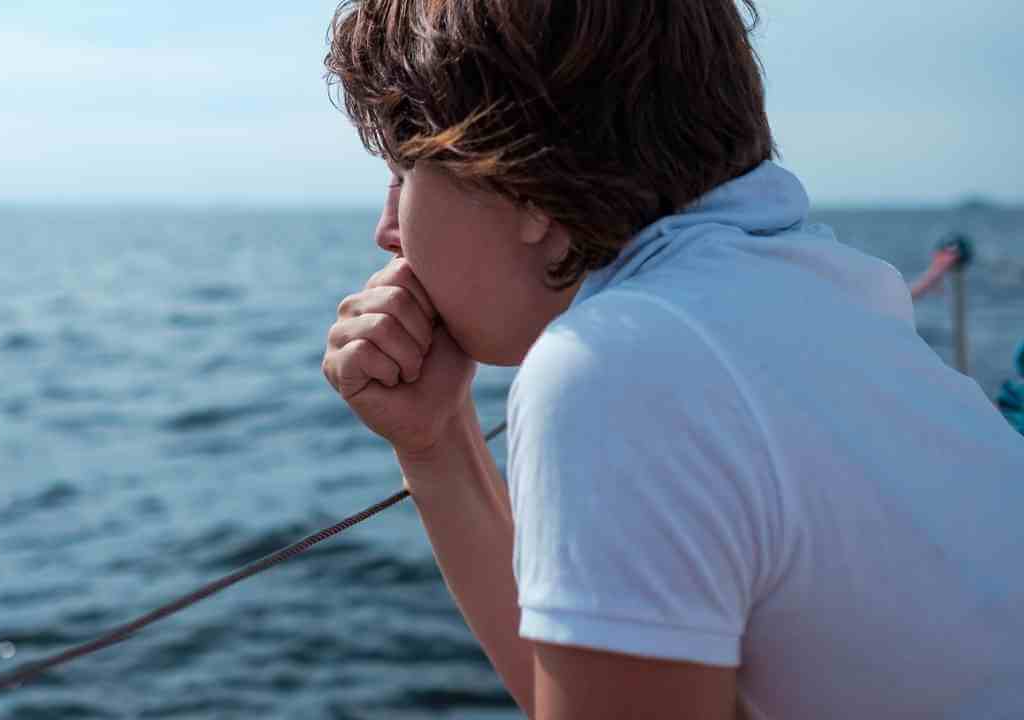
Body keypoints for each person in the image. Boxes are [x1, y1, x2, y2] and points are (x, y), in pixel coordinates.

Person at [319, 1, 1024, 718]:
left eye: (404, 175)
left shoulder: (623, 365)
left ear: (516, 180)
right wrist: (435, 444)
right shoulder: (825, 286)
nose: (387, 231)